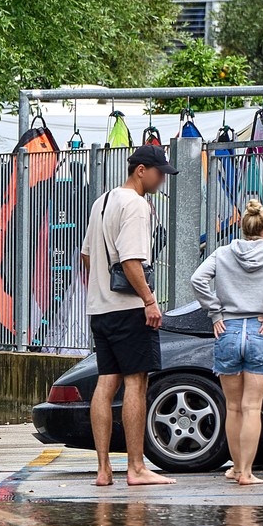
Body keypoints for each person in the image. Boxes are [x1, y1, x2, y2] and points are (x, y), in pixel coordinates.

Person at [78, 146, 176, 488]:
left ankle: (103, 469)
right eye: (159, 173)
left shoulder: (102, 201)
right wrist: (149, 300)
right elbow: (132, 260)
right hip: (130, 309)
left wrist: (102, 286)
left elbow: (86, 255)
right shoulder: (136, 204)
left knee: (106, 383)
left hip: (100, 309)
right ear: (141, 170)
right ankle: (136, 467)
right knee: (136, 382)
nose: (162, 180)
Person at [189, 198, 263, 486]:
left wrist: (215, 312)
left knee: (234, 407)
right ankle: (248, 473)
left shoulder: (223, 253)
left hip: (228, 330)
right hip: (261, 331)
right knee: (252, 407)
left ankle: (237, 468)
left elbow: (198, 279)